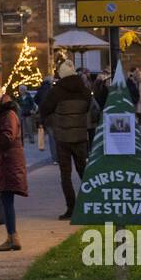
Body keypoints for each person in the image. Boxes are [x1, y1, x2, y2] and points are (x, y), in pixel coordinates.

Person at [41, 61, 92, 221]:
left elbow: (44, 109)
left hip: (62, 138)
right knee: (83, 171)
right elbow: (92, 109)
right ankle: (90, 205)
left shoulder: (56, 92)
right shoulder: (84, 90)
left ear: (61, 74)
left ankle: (71, 208)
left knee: (66, 174)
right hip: (80, 137)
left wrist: (53, 122)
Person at [0, 82, 28, 251]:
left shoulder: (7, 114)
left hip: (9, 161)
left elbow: (6, 138)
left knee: (6, 200)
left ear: (0, 96)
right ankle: (11, 236)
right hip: (3, 162)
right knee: (5, 200)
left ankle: (13, 236)